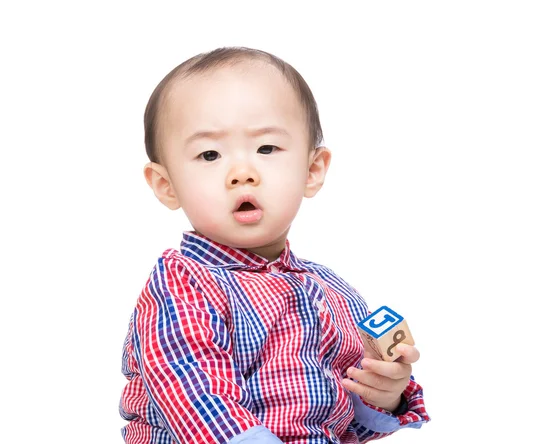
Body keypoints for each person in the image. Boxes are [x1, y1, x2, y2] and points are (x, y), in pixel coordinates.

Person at [119, 46, 430, 444]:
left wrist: (382, 395)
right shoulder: (183, 284)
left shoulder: (333, 292)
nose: (242, 173)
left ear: (312, 170)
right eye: (209, 154)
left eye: (267, 148)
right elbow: (195, 396)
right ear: (167, 186)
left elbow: (343, 424)